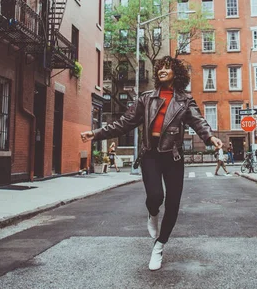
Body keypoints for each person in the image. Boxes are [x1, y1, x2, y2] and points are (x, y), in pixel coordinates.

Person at [80, 56, 223, 271]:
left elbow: (198, 121)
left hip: (174, 157)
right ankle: (153, 212)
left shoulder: (185, 100)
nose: (162, 71)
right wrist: (96, 133)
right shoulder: (146, 98)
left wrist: (210, 137)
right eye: (160, 68)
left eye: (168, 67)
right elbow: (124, 123)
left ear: (176, 72)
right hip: (151, 155)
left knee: (173, 205)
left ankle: (159, 245)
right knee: (156, 196)